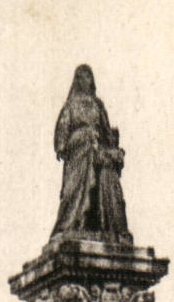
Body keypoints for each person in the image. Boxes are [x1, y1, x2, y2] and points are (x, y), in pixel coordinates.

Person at [51, 64, 129, 240]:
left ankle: (103, 222)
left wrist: (113, 148)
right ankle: (70, 222)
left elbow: (107, 132)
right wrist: (68, 144)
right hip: (78, 152)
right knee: (73, 190)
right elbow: (62, 135)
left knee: (105, 175)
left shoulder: (97, 105)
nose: (85, 80)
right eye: (81, 76)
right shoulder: (70, 106)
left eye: (88, 76)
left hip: (96, 150)